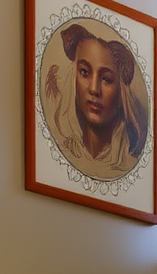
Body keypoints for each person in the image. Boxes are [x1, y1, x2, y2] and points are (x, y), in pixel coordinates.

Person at [45, 22, 148, 180]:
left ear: (121, 93)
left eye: (106, 79)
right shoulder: (59, 154)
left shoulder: (129, 167)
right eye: (84, 72)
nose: (94, 89)